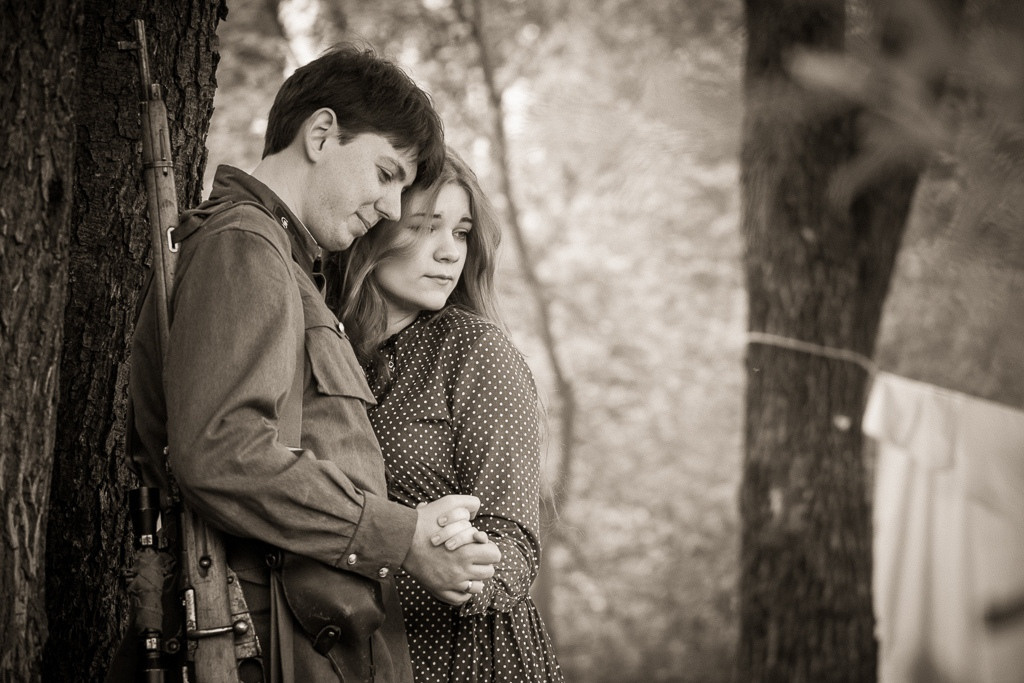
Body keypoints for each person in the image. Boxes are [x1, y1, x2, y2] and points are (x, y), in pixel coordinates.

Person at [127, 46, 501, 682]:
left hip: (294, 637)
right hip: (261, 642)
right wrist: (403, 536)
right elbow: (222, 453)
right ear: (322, 134)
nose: (389, 208)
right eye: (386, 174)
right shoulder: (244, 246)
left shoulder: (281, 259)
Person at [326, 148, 565, 682]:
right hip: (344, 652)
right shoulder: (324, 346)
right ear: (373, 224)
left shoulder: (477, 353)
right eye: (425, 227)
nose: (448, 252)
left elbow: (515, 549)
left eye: (460, 232)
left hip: (464, 657)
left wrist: (459, 557)